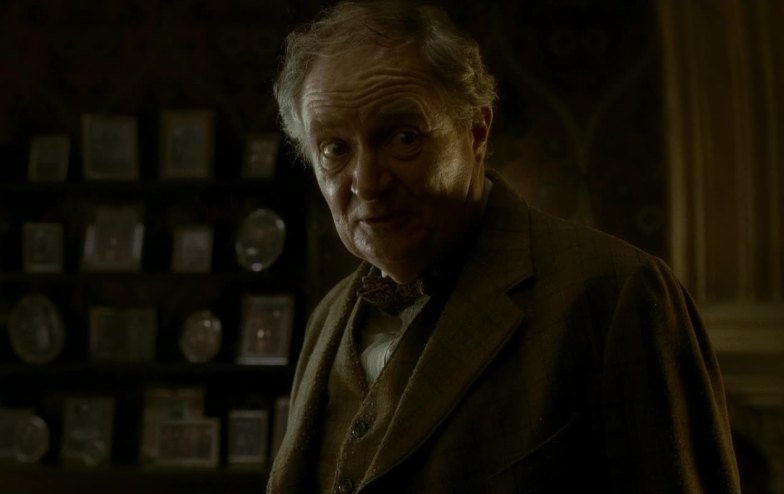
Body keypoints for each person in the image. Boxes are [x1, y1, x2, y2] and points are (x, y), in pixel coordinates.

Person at [267, 1, 740, 493]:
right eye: (334, 148)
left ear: (477, 131)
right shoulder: (327, 318)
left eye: (403, 137)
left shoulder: (618, 294)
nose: (366, 182)